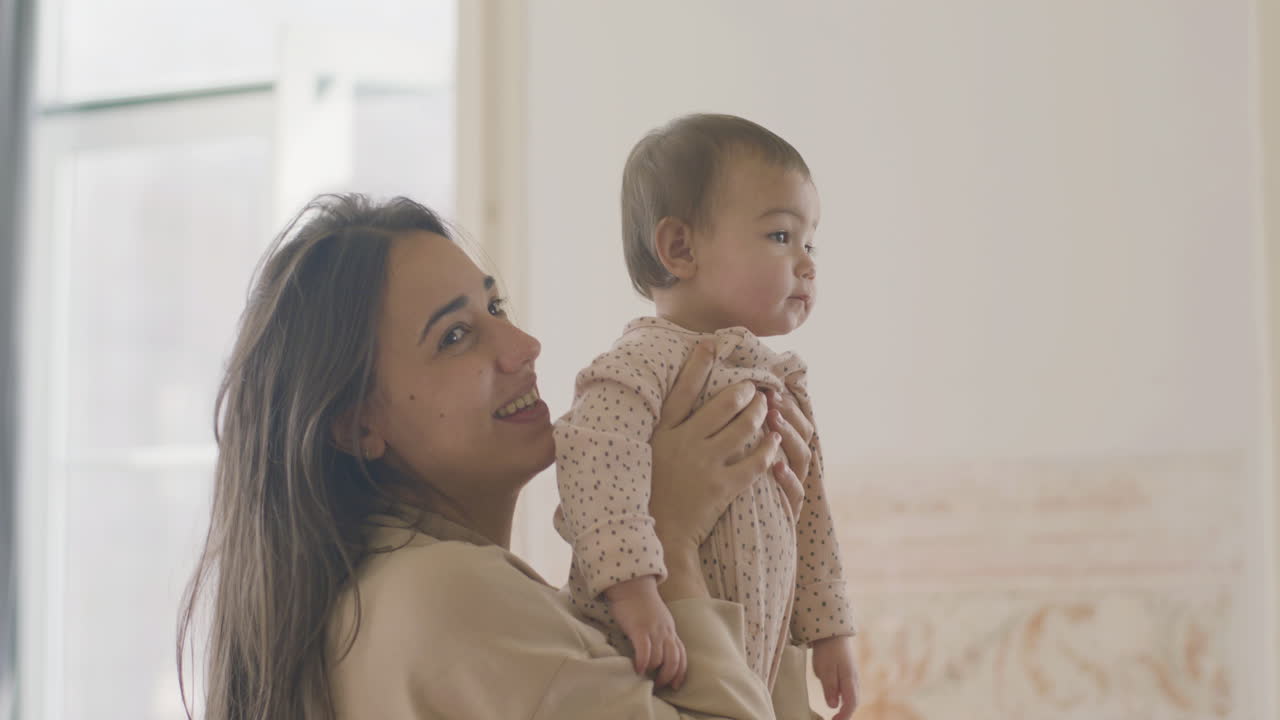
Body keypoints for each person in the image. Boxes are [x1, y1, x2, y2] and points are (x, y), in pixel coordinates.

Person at [176, 193, 821, 719]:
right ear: (355, 425)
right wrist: (671, 537)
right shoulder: (446, 597)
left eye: (496, 307)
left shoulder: (379, 596)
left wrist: (766, 569)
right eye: (455, 336)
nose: (523, 345)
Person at [552, 114, 859, 719]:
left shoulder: (781, 381)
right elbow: (592, 469)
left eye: (810, 241)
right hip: (644, 648)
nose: (807, 263)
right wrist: (637, 593)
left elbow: (813, 519)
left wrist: (830, 632)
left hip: (752, 655)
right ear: (681, 248)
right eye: (779, 236)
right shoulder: (642, 364)